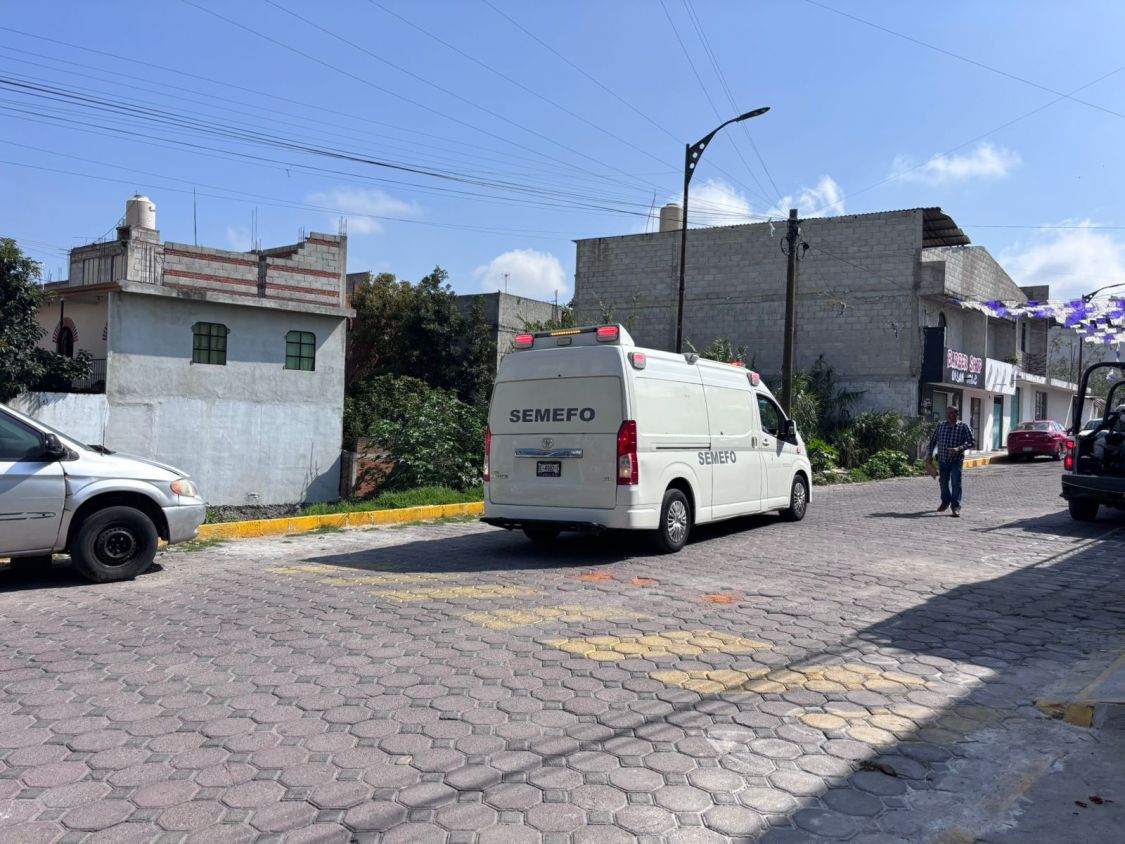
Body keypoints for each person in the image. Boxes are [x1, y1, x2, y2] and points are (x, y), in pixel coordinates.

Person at [927, 405, 976, 517]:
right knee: (943, 482)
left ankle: (956, 507)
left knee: (956, 483)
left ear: (957, 414)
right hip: (943, 460)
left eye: (953, 413)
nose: (950, 415)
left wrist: (958, 449)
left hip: (956, 460)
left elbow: (972, 442)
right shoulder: (941, 426)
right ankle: (945, 501)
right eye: (948, 413)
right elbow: (933, 441)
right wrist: (930, 454)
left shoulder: (963, 427)